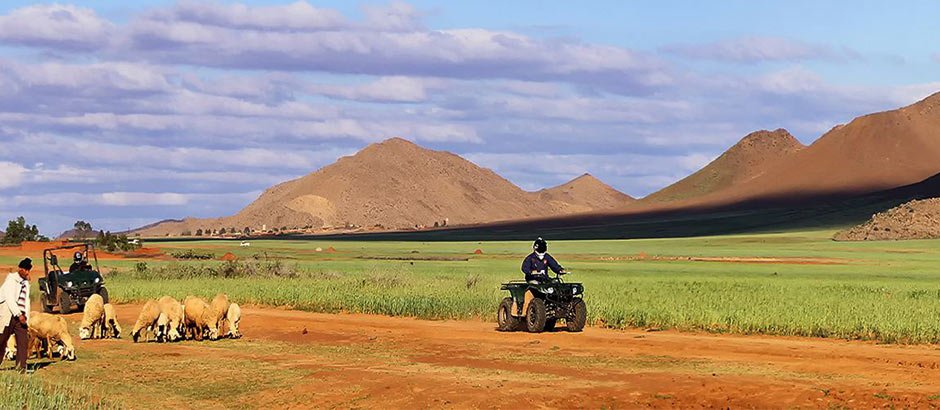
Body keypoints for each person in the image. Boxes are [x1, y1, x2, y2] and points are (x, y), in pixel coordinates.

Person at [515, 238, 567, 316]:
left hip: (544, 279)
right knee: (536, 286)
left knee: (556, 283)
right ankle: (531, 309)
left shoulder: (547, 257)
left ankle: (558, 304)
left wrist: (560, 270)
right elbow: (524, 268)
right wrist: (531, 272)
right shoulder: (530, 258)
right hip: (533, 280)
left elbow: (554, 265)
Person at [0, 258, 32, 372]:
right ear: (20, 269)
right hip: (9, 314)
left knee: (23, 342)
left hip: (21, 317)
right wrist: (18, 314)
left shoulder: (26, 283)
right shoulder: (11, 280)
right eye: (25, 270)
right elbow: (10, 299)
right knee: (2, 340)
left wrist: (25, 316)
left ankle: (21, 367)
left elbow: (26, 301)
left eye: (29, 270)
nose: (27, 272)